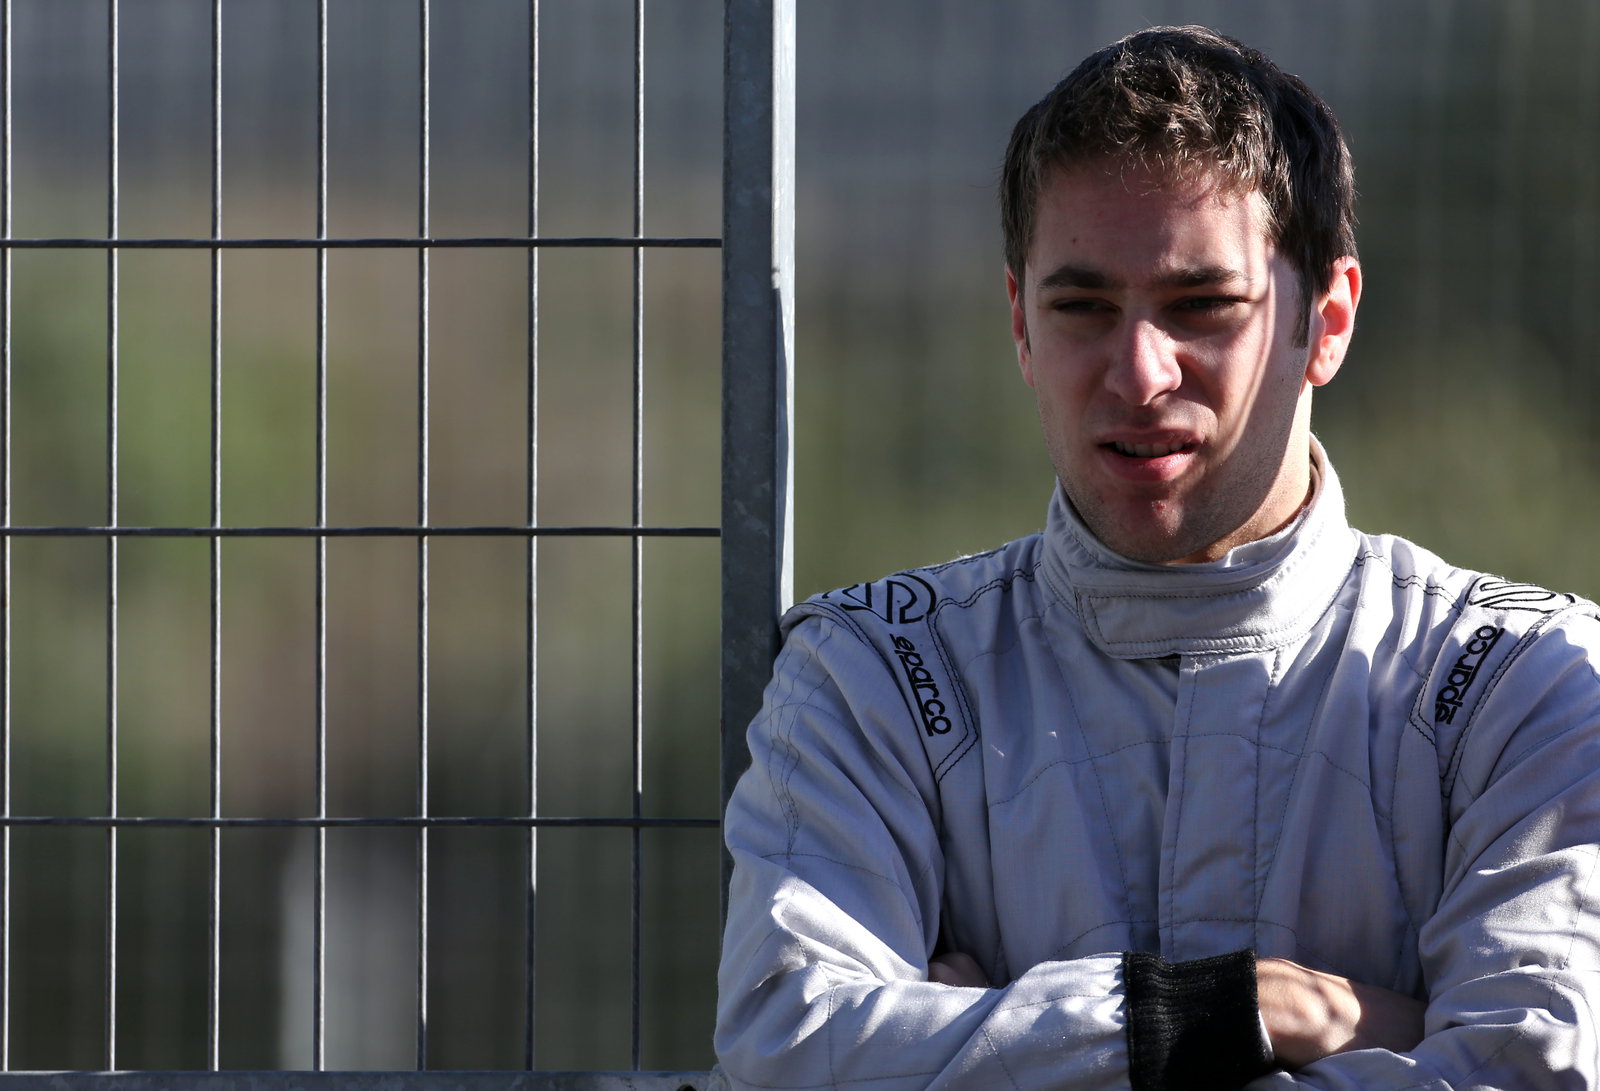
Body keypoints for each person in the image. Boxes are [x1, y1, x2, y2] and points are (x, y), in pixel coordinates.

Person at [715, 24, 1600, 1090]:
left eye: (1202, 306)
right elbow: (789, 1053)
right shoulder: (875, 673)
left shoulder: (1527, 683)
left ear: (1326, 321)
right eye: (1082, 307)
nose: (1138, 372)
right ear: (1021, 324)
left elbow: (1532, 1073)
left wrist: (988, 1043)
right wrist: (1253, 1013)